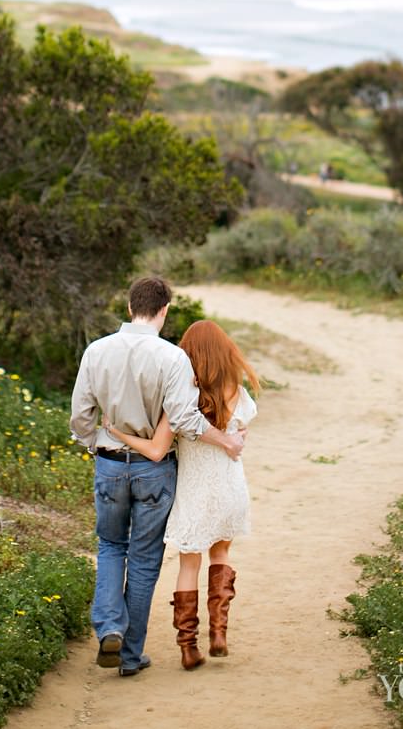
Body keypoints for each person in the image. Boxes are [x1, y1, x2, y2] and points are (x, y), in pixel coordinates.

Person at [70, 277, 245, 678]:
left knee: (111, 546)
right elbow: (185, 419)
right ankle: (130, 656)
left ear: (131, 305)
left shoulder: (96, 351)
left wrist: (95, 442)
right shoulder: (171, 357)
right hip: (154, 468)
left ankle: (110, 627)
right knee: (145, 559)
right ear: (164, 310)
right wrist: (226, 441)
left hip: (111, 463)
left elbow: (81, 416)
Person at [104, 319, 259, 671]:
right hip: (229, 487)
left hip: (193, 489)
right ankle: (219, 634)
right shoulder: (235, 388)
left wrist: (117, 433)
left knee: (189, 563)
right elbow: (243, 426)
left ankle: (188, 647)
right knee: (221, 554)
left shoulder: (182, 397)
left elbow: (158, 450)